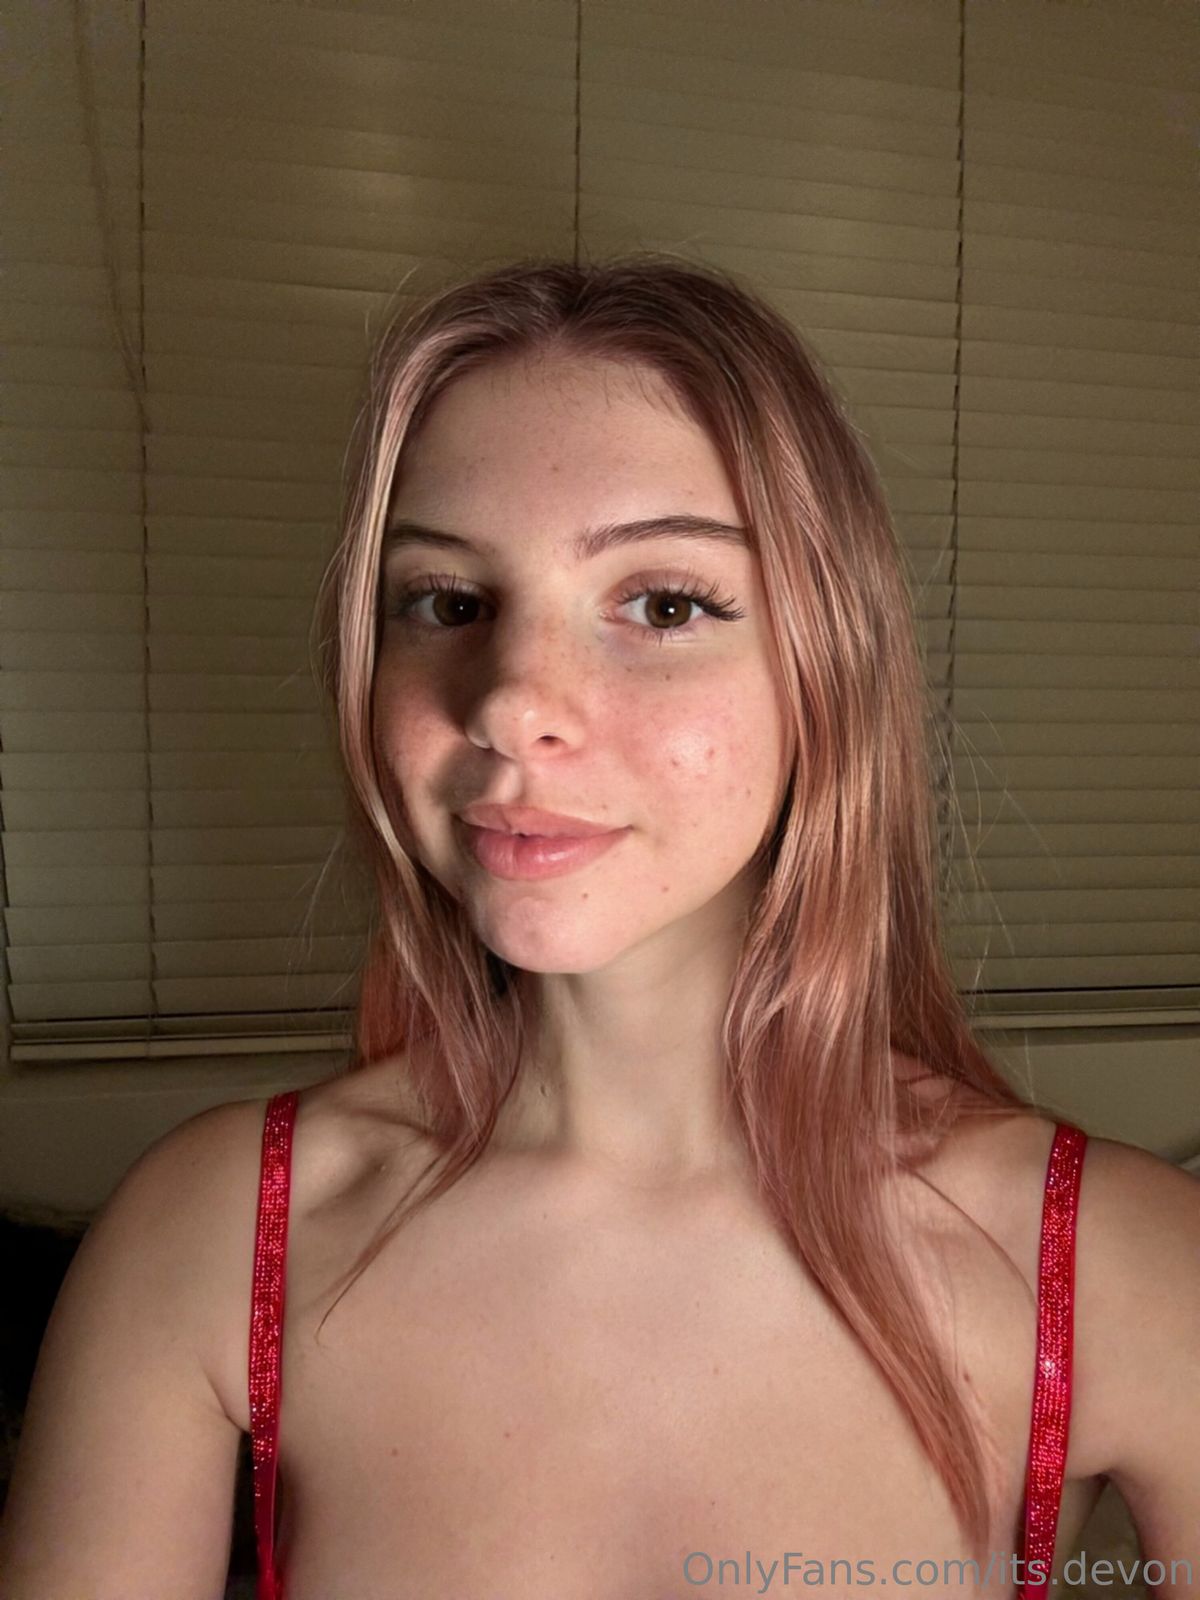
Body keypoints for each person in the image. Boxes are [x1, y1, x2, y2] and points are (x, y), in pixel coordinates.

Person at [1, 255, 1196, 1600]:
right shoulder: (211, 1240)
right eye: (448, 602)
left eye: (664, 604)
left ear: (828, 670)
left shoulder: (1119, 1271)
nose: (510, 702)